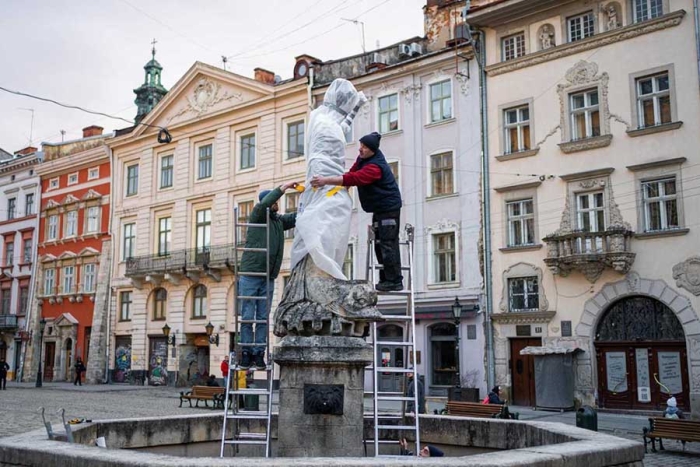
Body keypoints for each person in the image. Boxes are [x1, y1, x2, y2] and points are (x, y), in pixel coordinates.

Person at [311, 131, 403, 291]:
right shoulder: (363, 159)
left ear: (372, 150)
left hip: (389, 209)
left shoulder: (375, 167)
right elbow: (351, 173)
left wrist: (325, 181)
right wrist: (340, 190)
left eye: (365, 147)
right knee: (379, 244)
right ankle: (385, 279)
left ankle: (394, 281)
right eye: (360, 145)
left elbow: (354, 178)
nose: (360, 149)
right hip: (379, 209)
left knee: (388, 244)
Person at [239, 182, 299, 370]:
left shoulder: (278, 221)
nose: (277, 204)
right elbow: (265, 204)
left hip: (268, 276)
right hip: (251, 274)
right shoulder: (258, 216)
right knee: (249, 316)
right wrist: (284, 187)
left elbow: (297, 217)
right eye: (275, 201)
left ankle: (258, 354)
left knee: (263, 317)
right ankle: (246, 353)